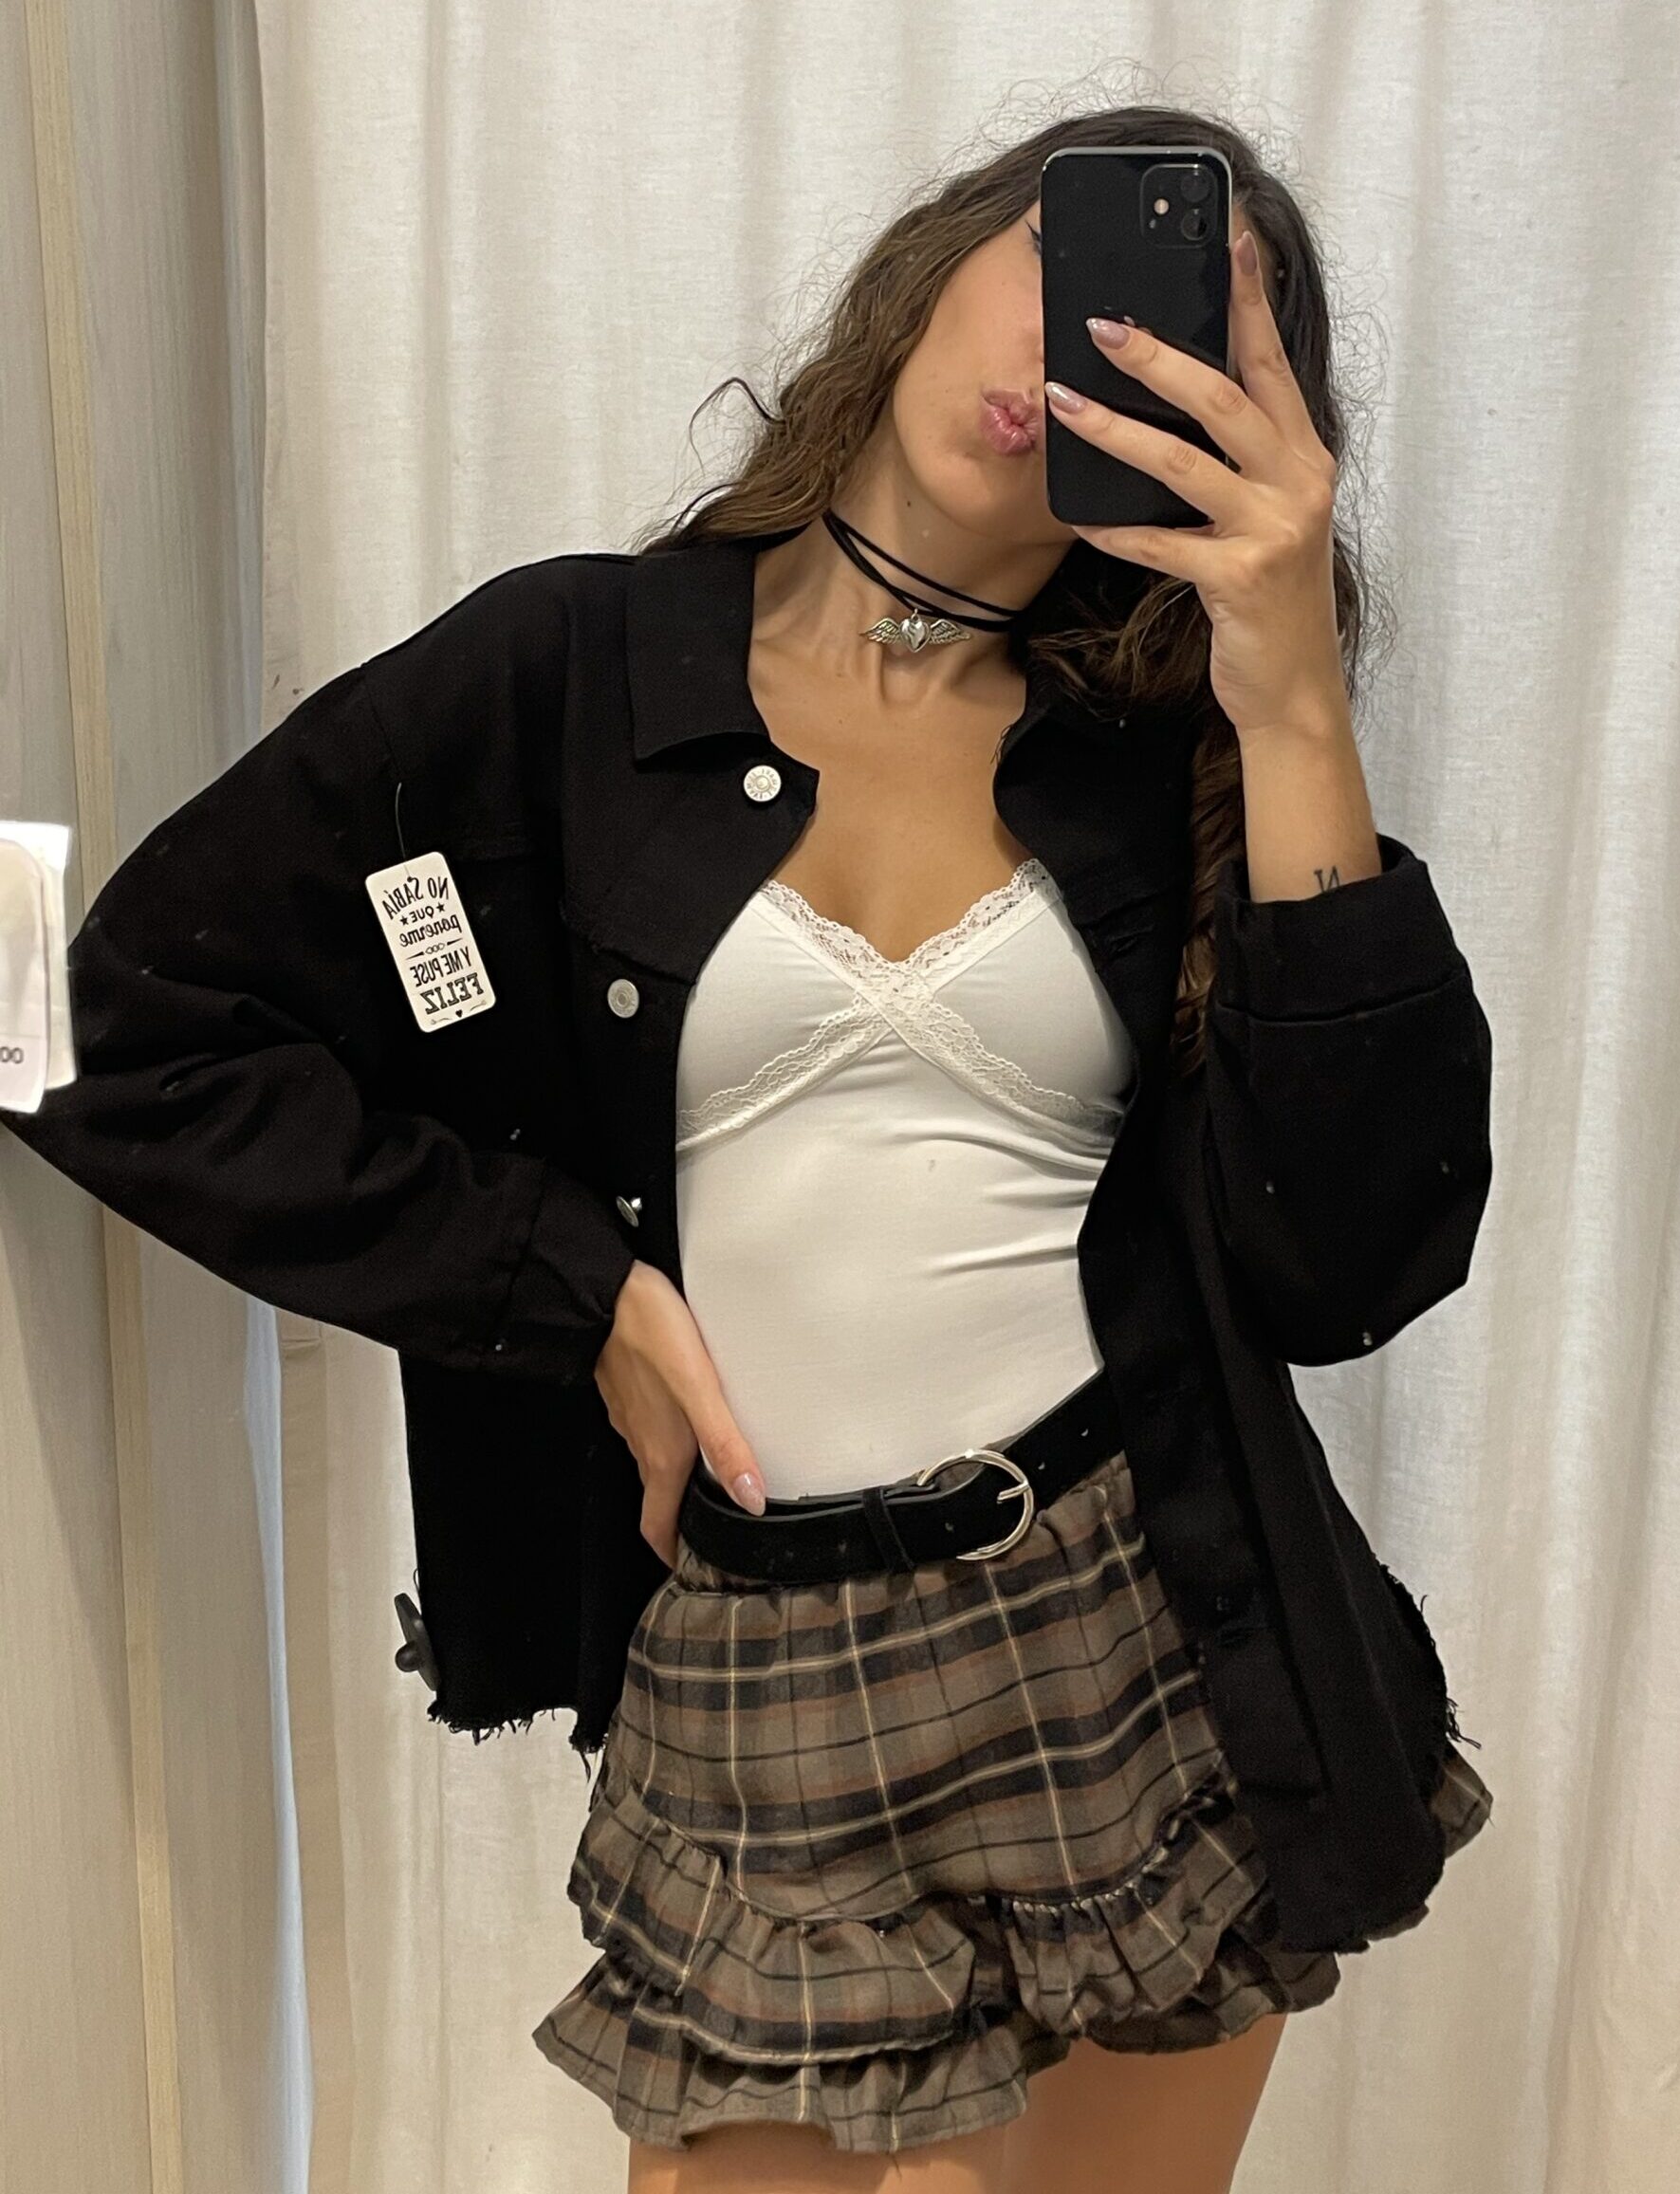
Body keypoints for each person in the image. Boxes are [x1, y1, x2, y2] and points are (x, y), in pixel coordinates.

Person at [4, 104, 1494, 2194]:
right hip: (762, 1646)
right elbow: (119, 1029)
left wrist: (1300, 697)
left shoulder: (1179, 752)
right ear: (940, 253)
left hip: (1136, 1624)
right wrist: (575, 1290)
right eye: (1062, 261)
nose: (1079, 352)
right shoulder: (572, 674)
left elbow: (1349, 1264)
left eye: (1176, 347)